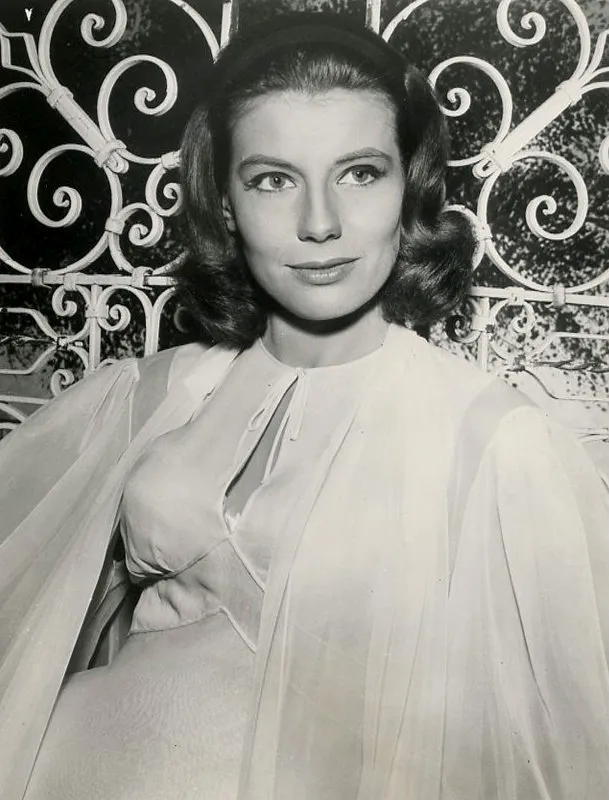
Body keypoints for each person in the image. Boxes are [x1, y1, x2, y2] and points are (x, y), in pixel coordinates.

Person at [1, 11, 608, 800]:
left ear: (408, 185)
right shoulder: (150, 393)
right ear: (225, 202)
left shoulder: (494, 442)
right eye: (272, 180)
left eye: (359, 173)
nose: (319, 224)